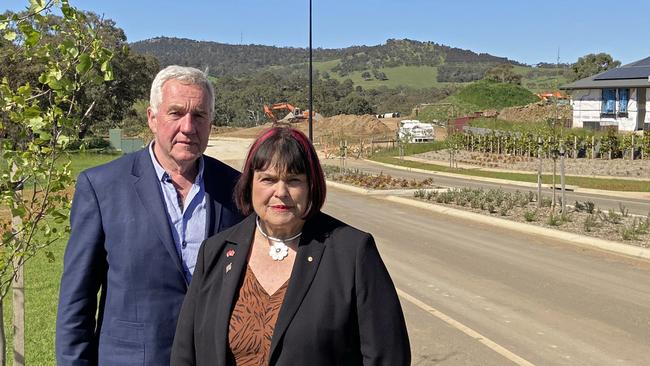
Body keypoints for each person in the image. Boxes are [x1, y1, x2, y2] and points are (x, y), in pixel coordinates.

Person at [171, 126, 410, 365]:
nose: (281, 192)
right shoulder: (216, 252)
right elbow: (185, 353)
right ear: (250, 184)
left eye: (294, 180)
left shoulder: (352, 253)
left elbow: (387, 357)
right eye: (268, 179)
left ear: (311, 186)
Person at [56, 65, 244, 365]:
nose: (188, 127)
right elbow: (77, 298)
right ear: (152, 118)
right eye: (176, 113)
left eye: (199, 115)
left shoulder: (235, 188)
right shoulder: (102, 187)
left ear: (211, 122)